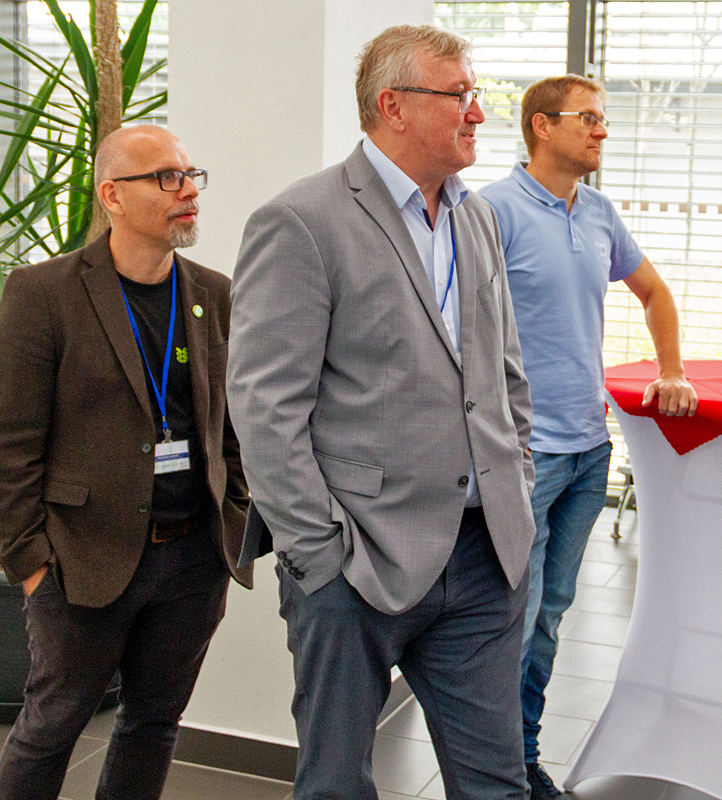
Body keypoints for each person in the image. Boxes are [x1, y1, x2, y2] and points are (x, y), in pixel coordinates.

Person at [226, 24, 537, 800]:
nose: (478, 112)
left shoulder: (477, 218)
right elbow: (265, 409)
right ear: (393, 105)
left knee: (497, 785)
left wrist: (517, 485)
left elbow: (503, 375)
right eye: (460, 95)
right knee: (335, 784)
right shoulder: (302, 220)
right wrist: (320, 556)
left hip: (483, 557)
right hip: (356, 562)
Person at [0, 125, 252, 800]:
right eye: (166, 177)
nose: (188, 191)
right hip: (83, 559)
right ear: (112, 196)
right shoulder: (44, 293)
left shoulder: (213, 293)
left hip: (192, 559)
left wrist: (233, 513)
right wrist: (32, 564)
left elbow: (231, 424)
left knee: (153, 724)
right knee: (51, 728)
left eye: (190, 175)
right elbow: (8, 445)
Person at [479, 73, 698, 799]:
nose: (603, 130)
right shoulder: (491, 212)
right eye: (589, 118)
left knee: (549, 617)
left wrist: (671, 370)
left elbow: (655, 292)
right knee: (513, 620)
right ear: (542, 126)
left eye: (604, 119)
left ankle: (522, 759)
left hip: (587, 449)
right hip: (522, 453)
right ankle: (493, 771)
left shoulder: (598, 212)